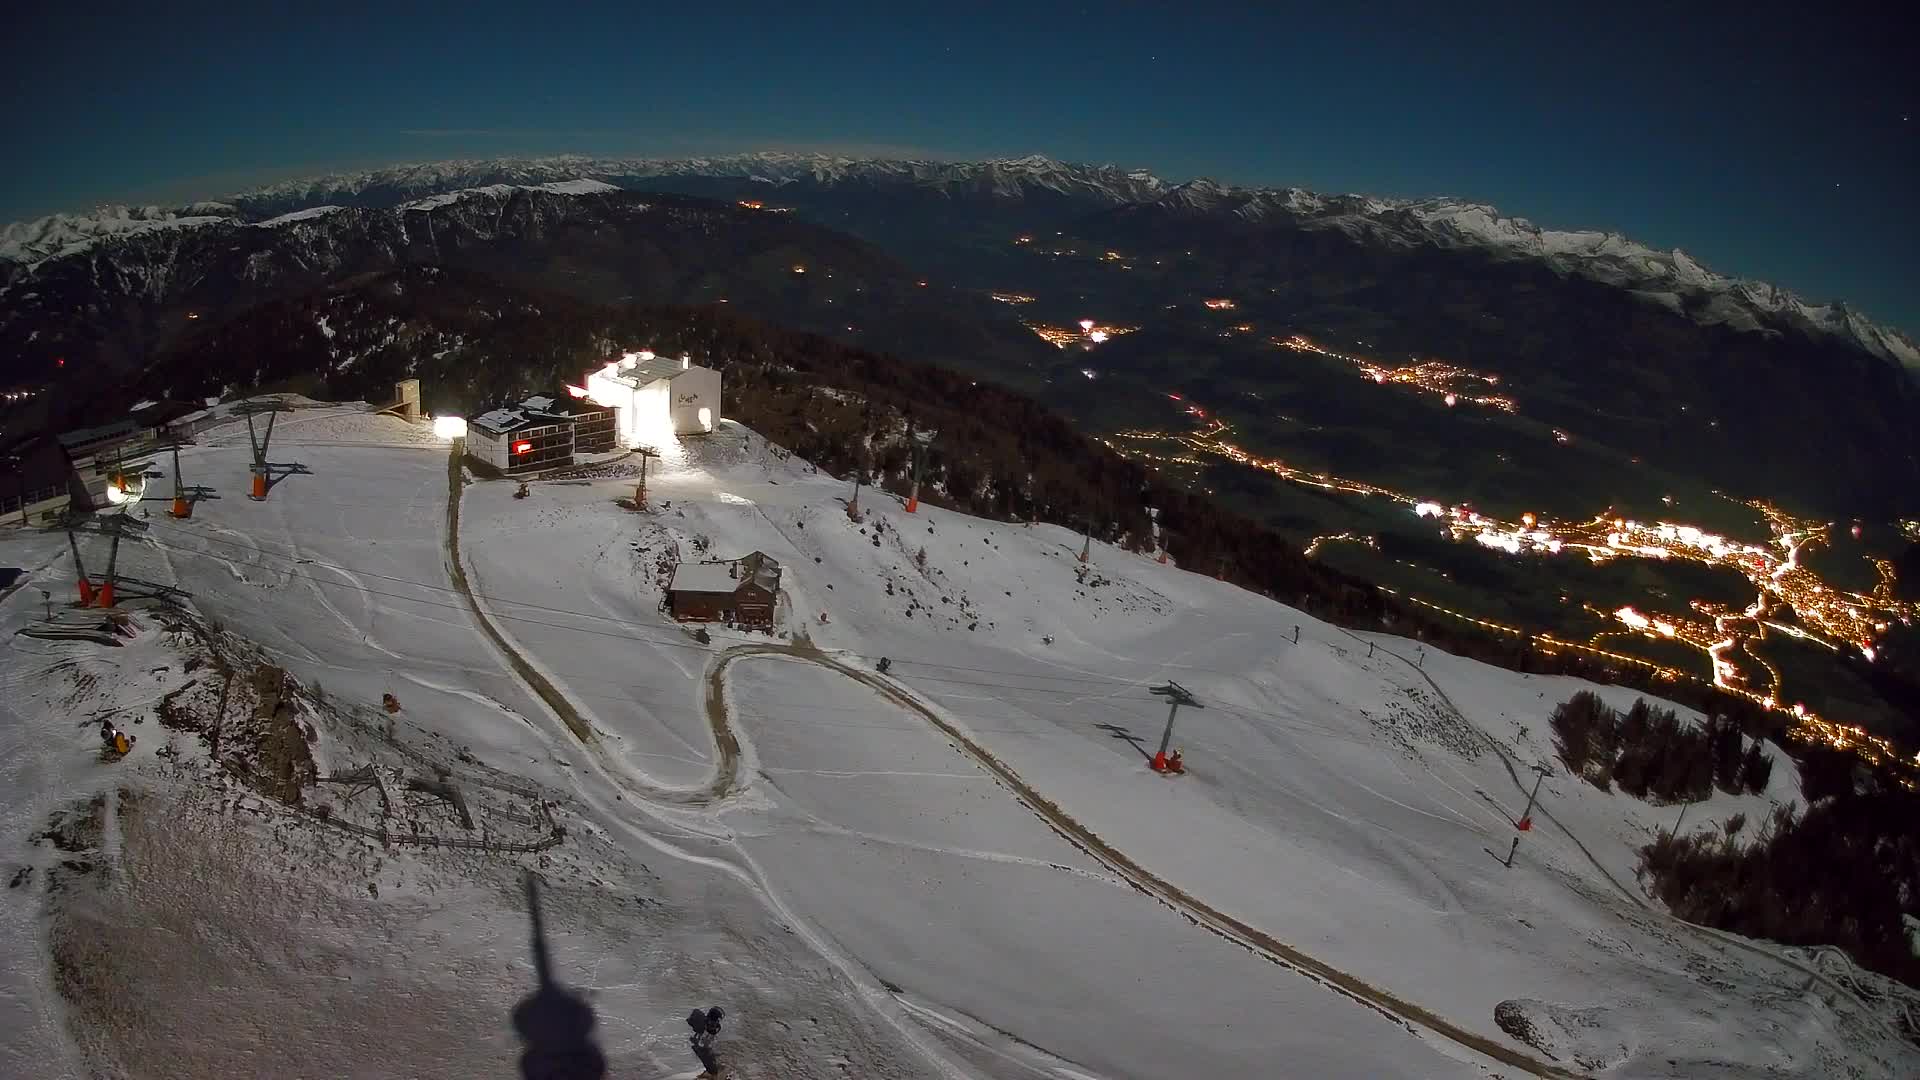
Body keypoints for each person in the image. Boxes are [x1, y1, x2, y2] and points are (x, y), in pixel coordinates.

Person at [688, 1005, 724, 1077]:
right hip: (696, 1045)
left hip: (697, 1042)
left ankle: (710, 1072)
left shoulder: (713, 1027)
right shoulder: (703, 1025)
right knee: (713, 1070)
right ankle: (711, 1073)